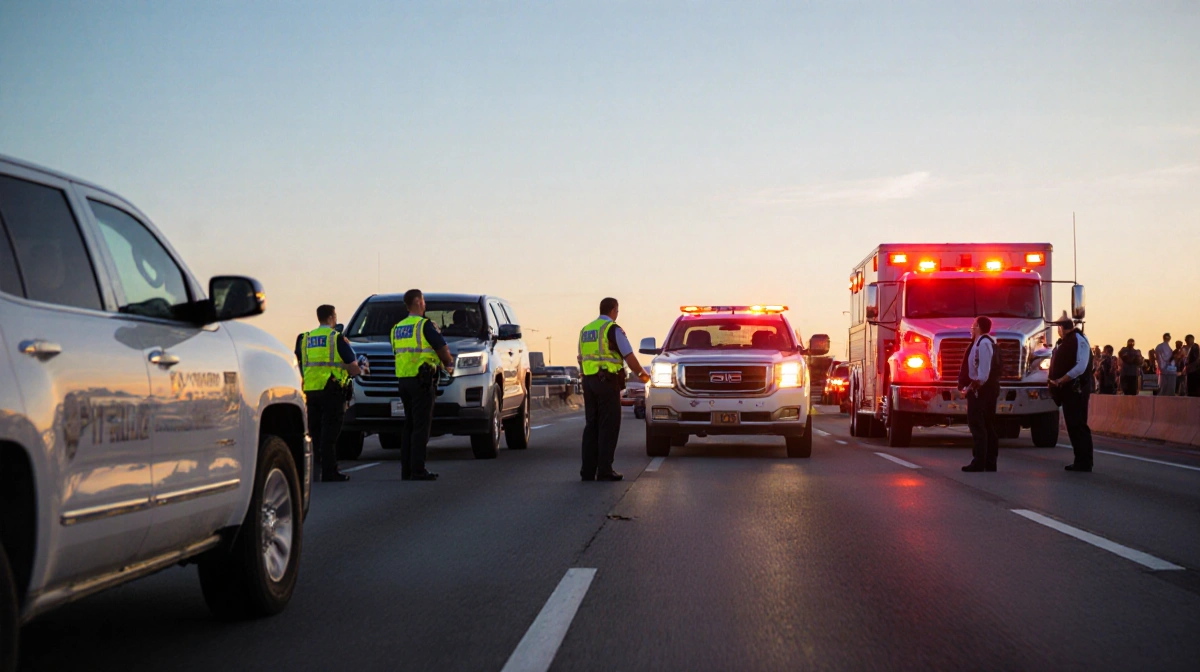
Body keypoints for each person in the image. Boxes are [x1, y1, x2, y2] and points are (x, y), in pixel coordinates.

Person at [577, 297, 651, 482]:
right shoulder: (612, 329)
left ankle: (587, 470)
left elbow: (581, 358)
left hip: (588, 381)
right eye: (617, 311)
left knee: (591, 426)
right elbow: (629, 356)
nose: (617, 314)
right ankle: (604, 470)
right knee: (609, 426)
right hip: (606, 382)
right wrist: (644, 377)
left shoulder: (586, 330)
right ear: (613, 310)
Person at [391, 289, 454, 481]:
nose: (425, 305)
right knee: (421, 427)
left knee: (409, 425)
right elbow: (441, 348)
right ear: (418, 302)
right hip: (422, 381)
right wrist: (448, 364)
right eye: (424, 301)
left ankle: (406, 470)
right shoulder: (424, 326)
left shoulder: (397, 328)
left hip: (403, 381)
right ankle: (418, 469)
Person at [297, 304, 361, 482]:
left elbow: (301, 362)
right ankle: (329, 471)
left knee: (315, 433)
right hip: (331, 390)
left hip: (310, 390)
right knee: (330, 434)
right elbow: (352, 366)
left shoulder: (305, 338)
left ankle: (314, 472)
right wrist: (360, 369)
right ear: (332, 317)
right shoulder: (335, 338)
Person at [1048, 312, 1094, 472]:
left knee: (1078, 425)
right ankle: (1079, 459)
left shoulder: (1079, 340)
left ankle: (1085, 461)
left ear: (1062, 328)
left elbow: (1081, 367)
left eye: (1058, 327)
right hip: (1069, 392)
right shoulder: (1065, 342)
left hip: (1077, 390)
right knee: (1072, 426)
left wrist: (1062, 380)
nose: (1057, 330)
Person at [959, 316, 1001, 472]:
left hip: (982, 391)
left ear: (978, 327)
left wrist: (970, 389)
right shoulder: (981, 343)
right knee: (987, 425)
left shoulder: (983, 344)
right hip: (984, 390)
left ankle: (979, 461)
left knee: (978, 425)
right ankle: (989, 462)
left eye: (973, 325)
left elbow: (983, 374)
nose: (971, 329)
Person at [1155, 333, 1177, 397]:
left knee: (1165, 386)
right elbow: (1166, 358)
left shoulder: (1159, 346)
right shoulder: (1162, 347)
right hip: (1166, 369)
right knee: (1166, 387)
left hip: (1166, 369)